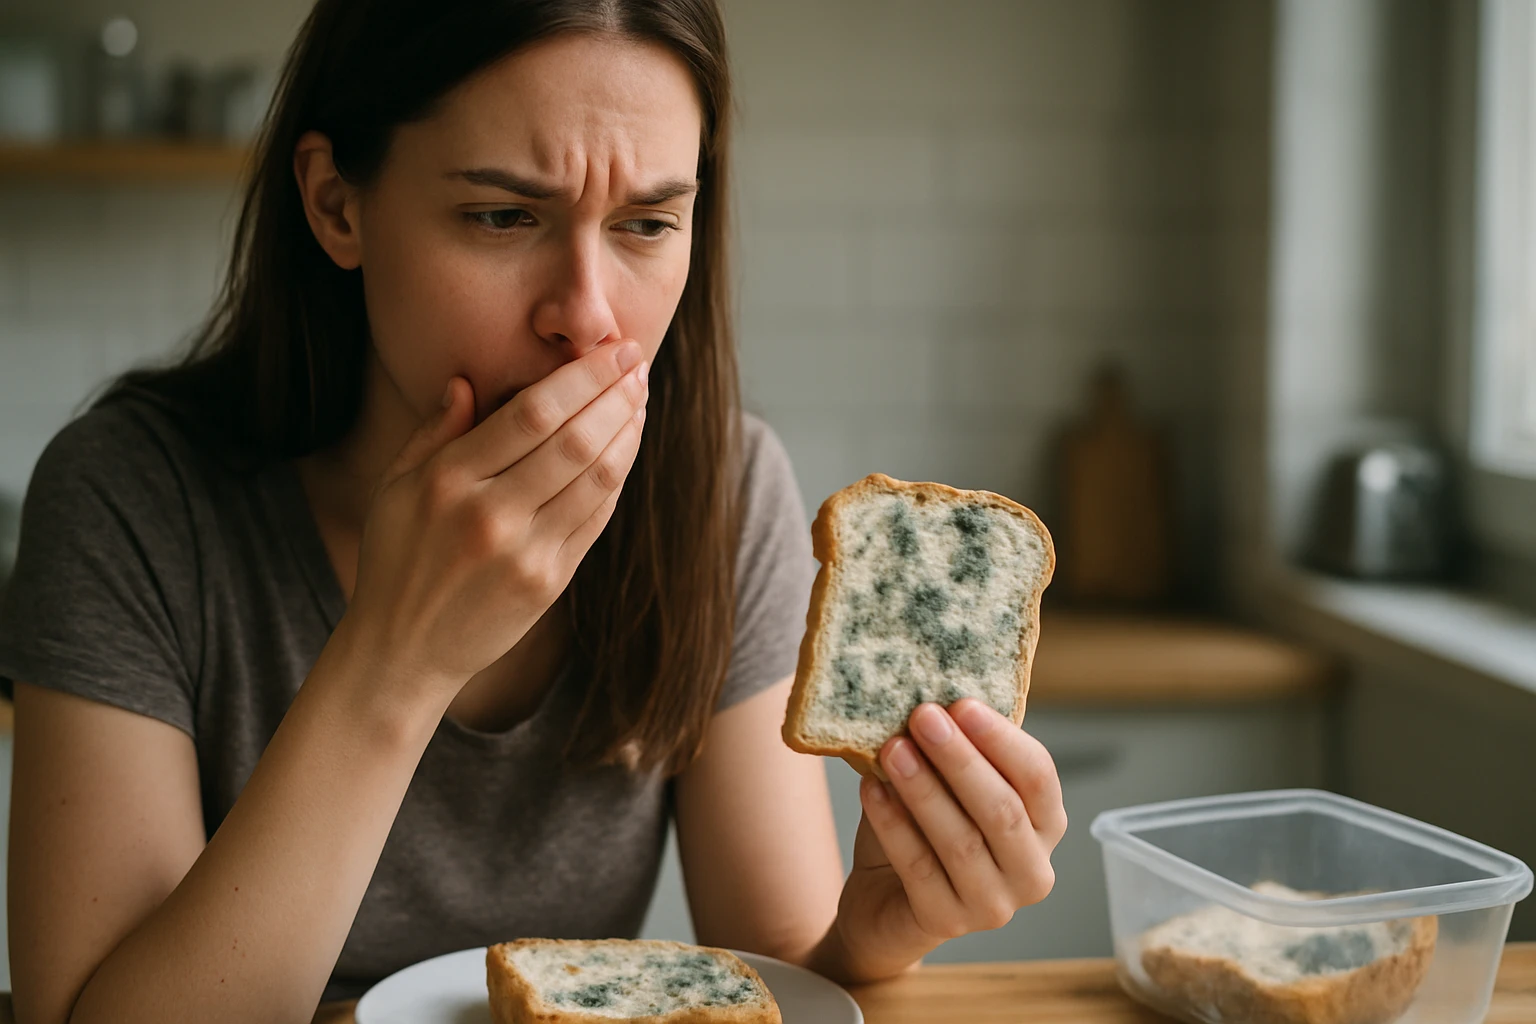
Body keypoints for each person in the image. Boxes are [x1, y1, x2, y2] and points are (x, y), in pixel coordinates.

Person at [0, 2, 1067, 1021]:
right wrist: (396, 658)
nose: (588, 317)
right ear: (337, 203)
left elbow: (775, 963)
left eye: (648, 222)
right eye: (503, 215)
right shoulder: (126, 500)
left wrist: (876, 930)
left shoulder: (722, 489)